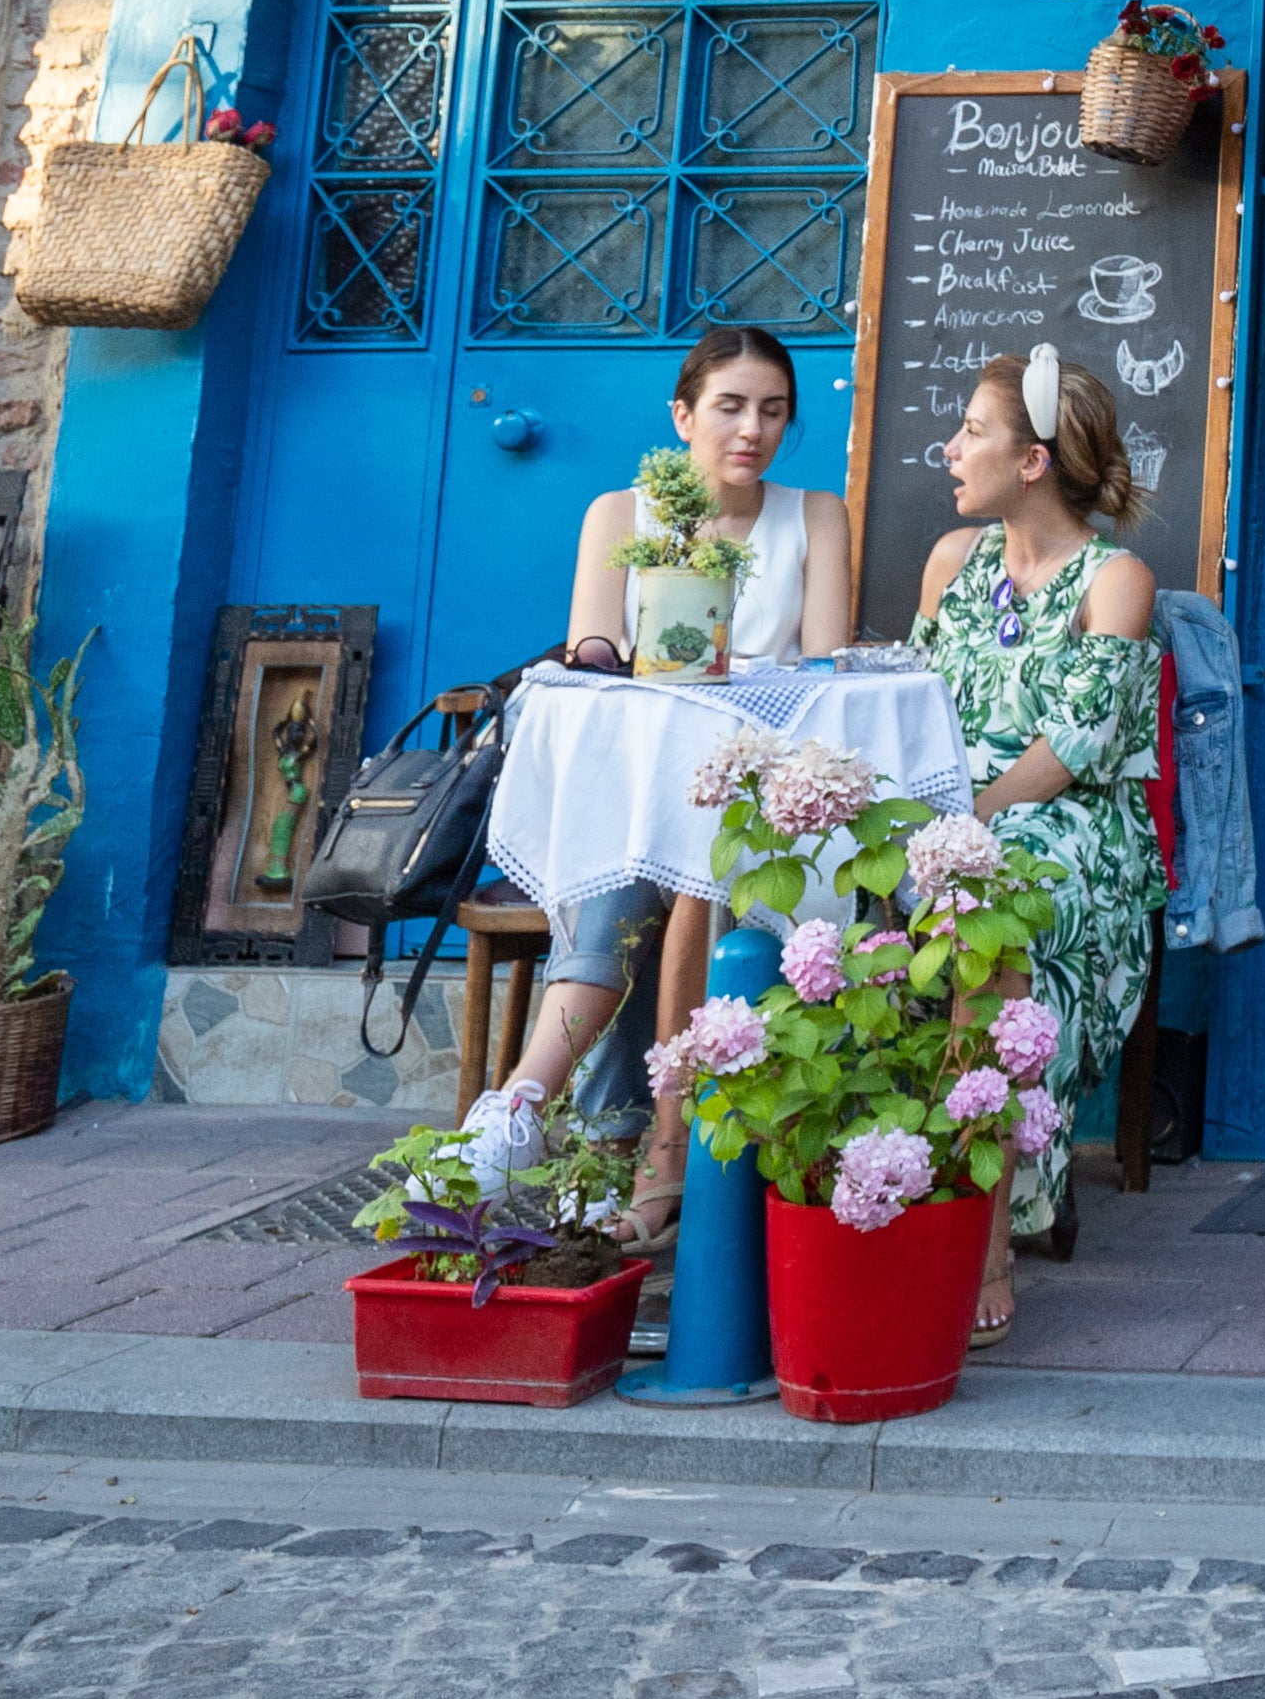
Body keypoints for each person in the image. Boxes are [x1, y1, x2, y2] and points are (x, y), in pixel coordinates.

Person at [458, 324, 859, 1187]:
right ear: (682, 415)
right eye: (729, 406)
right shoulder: (623, 513)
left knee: (680, 867)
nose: (752, 428)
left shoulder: (815, 515)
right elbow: (594, 656)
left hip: (761, 791)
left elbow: (822, 673)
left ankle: (571, 1125)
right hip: (638, 786)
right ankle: (535, 1113)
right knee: (633, 860)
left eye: (774, 410)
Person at [913, 342, 1163, 1337]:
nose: (949, 447)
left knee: (994, 908)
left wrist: (966, 824)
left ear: (1032, 462)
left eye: (972, 430)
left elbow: (1075, 748)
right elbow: (916, 706)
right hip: (949, 816)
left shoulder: (1118, 578)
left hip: (1075, 837)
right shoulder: (950, 561)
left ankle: (982, 1247)